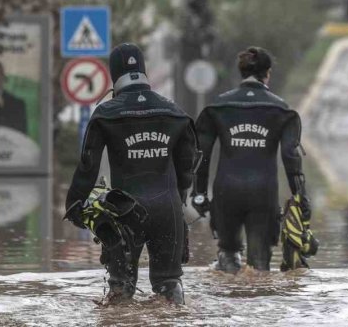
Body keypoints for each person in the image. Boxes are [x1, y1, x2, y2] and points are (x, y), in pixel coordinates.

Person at [65, 43, 197, 305]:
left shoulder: (105, 114)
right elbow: (187, 166)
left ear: (114, 75)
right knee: (169, 288)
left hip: (123, 213)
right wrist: (179, 200)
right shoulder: (174, 112)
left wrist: (74, 206)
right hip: (167, 210)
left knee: (120, 291)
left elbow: (87, 168)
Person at [192, 47, 310, 272]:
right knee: (258, 268)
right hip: (263, 194)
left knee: (227, 260)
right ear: (268, 74)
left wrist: (198, 193)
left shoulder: (218, 107)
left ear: (241, 72)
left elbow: (201, 154)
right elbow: (290, 156)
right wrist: (299, 195)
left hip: (226, 192)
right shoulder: (281, 110)